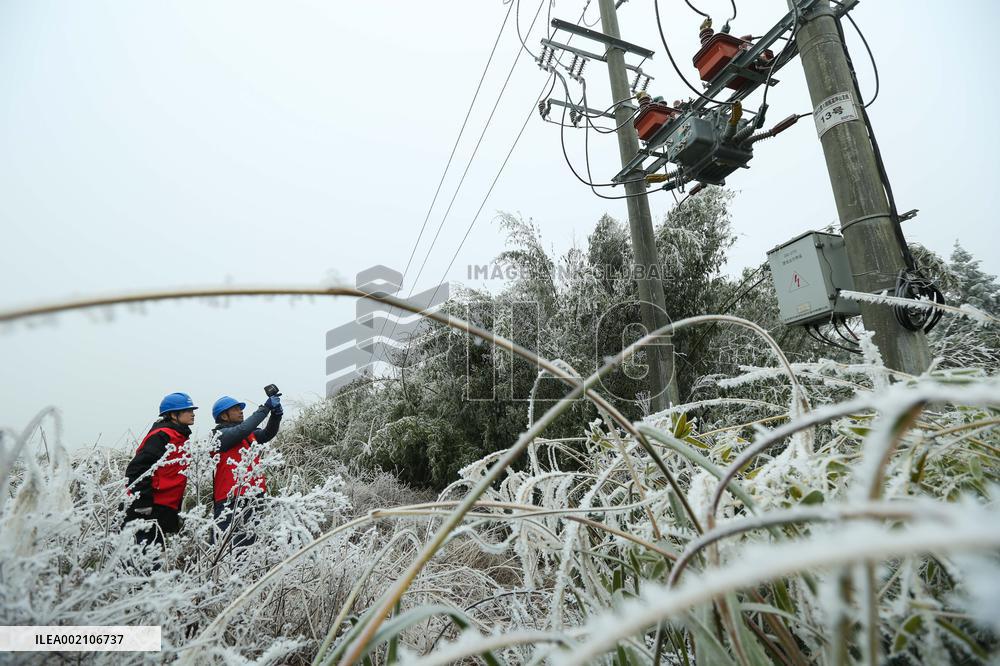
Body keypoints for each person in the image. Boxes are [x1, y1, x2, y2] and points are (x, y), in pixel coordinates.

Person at [123, 392, 198, 554]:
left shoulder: (179, 437)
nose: (193, 413)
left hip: (162, 509)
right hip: (148, 510)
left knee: (152, 562)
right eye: (187, 410)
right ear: (173, 414)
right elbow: (137, 468)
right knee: (144, 563)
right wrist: (143, 503)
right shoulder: (162, 435)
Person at [211, 392, 282, 548]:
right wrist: (264, 409)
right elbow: (241, 430)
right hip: (229, 500)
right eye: (236, 409)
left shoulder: (247, 434)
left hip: (254, 496)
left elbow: (267, 433)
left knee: (248, 545)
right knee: (224, 546)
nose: (241, 411)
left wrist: (276, 415)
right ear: (224, 416)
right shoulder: (218, 436)